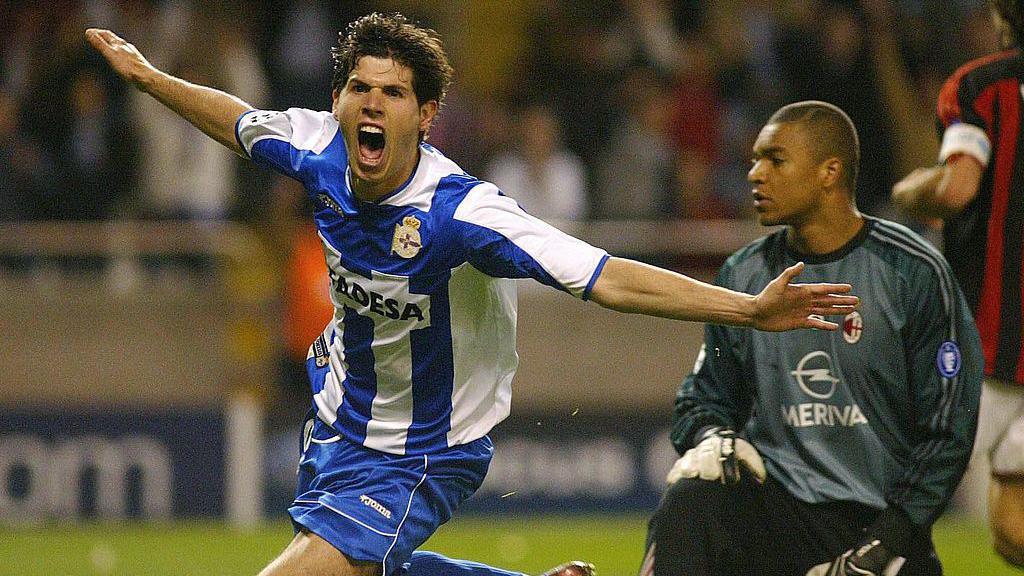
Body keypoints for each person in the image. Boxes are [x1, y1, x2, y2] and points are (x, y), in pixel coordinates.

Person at [85, 15, 859, 576]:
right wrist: (151, 79)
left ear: (426, 116)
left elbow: (608, 276)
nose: (372, 103)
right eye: (359, 87)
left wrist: (749, 309)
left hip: (426, 450)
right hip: (338, 415)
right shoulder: (315, 144)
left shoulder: (464, 214)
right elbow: (237, 121)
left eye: (393, 92)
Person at [643, 101, 982, 576]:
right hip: (775, 514)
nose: (755, 175)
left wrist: (887, 544)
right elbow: (704, 397)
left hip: (880, 522)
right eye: (754, 160)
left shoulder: (913, 271)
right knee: (691, 500)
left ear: (829, 173)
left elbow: (949, 429)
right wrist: (712, 437)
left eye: (775, 160)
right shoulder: (744, 274)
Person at [891, 0, 1024, 567]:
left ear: (1003, 18)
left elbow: (958, 187)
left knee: (877, 503)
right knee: (1014, 529)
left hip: (980, 355)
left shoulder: (980, 87)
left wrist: (909, 192)